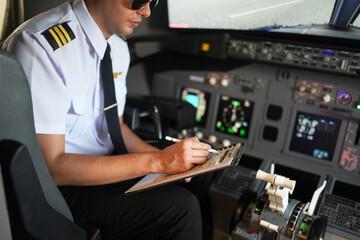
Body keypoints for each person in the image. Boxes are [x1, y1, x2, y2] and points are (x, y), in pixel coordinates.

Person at [3, 0, 213, 239]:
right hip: (63, 187)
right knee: (180, 208)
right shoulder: (41, 45)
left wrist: (171, 162)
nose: (146, 11)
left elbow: (116, 126)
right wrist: (159, 162)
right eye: (140, 0)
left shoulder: (117, 46)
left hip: (106, 160)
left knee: (199, 172)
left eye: (152, 1)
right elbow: (52, 168)